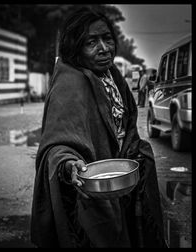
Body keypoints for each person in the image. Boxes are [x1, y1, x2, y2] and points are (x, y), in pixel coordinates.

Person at [31, 7, 167, 248]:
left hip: (120, 185)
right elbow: (57, 144)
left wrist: (135, 151)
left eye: (107, 39)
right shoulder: (70, 84)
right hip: (88, 194)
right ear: (75, 48)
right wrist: (69, 165)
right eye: (91, 42)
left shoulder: (112, 75)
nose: (104, 48)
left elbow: (125, 126)